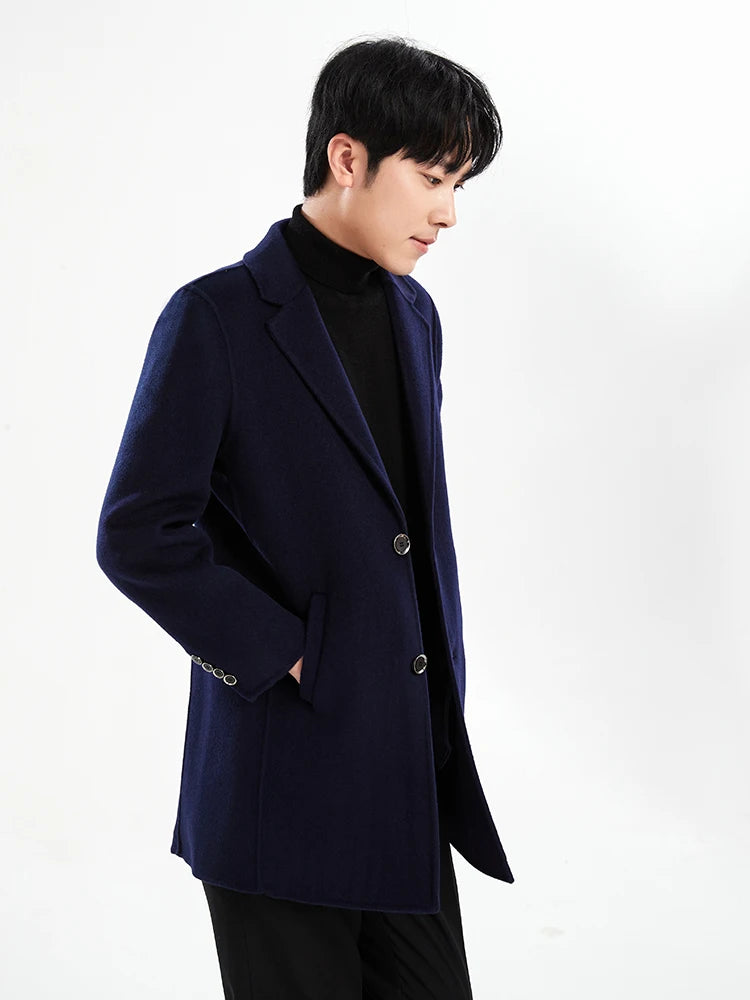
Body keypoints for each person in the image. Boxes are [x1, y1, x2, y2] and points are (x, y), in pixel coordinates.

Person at [96, 34, 513, 999]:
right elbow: (138, 533)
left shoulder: (415, 316)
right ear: (347, 157)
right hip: (278, 779)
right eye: (432, 178)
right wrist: (289, 653)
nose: (448, 213)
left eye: (459, 186)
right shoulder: (216, 317)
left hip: (403, 769)